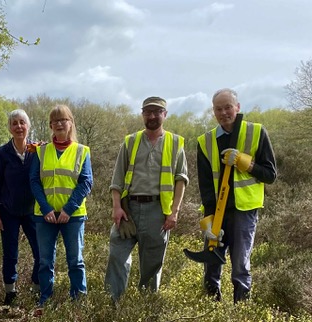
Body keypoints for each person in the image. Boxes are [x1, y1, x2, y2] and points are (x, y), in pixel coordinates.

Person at [104, 96, 188, 303]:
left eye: (157, 112)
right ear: (142, 114)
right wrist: (117, 207)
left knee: (152, 264)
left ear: (164, 115)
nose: (152, 116)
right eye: (148, 112)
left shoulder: (175, 142)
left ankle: (145, 309)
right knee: (117, 256)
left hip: (158, 211)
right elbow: (117, 178)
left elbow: (181, 179)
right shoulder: (130, 141)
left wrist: (174, 211)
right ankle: (111, 306)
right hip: (128, 209)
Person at [196, 88, 277, 302]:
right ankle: (211, 312)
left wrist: (246, 163)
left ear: (238, 107)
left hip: (244, 211)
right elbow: (205, 186)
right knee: (211, 265)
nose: (224, 113)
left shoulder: (257, 132)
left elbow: (270, 175)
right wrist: (209, 220)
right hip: (217, 214)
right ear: (213, 112)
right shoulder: (204, 141)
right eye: (218, 109)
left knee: (240, 267)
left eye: (228, 107)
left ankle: (241, 313)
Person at [29, 105, 93, 313]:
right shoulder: (41, 150)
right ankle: (45, 301)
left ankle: (79, 302)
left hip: (73, 216)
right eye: (54, 121)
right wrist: (46, 208)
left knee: (75, 261)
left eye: (63, 120)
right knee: (45, 261)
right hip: (44, 216)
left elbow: (86, 182)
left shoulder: (82, 151)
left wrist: (68, 210)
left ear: (70, 123)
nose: (59, 124)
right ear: (50, 125)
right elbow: (34, 181)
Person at [0, 109, 40, 306]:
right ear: (10, 128)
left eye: (22, 122)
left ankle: (37, 288)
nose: (19, 126)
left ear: (28, 126)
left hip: (32, 211)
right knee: (10, 253)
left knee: (41, 252)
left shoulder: (38, 150)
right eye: (14, 123)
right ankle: (10, 292)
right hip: (8, 211)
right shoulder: (3, 153)